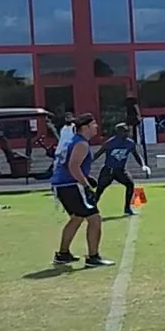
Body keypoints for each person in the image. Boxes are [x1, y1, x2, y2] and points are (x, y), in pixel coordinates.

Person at [51, 114, 111, 267]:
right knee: (95, 218)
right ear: (85, 127)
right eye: (93, 124)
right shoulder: (81, 144)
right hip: (71, 185)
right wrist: (86, 185)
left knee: (77, 218)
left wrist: (86, 177)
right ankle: (93, 257)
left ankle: (63, 254)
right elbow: (73, 166)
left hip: (62, 184)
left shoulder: (75, 141)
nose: (96, 126)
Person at [94, 123, 149, 216]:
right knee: (100, 189)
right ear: (118, 132)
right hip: (109, 170)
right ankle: (91, 209)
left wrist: (143, 165)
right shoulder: (110, 143)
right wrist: (86, 164)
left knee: (130, 184)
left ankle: (127, 208)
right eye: (124, 131)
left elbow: (136, 155)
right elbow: (98, 154)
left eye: (127, 131)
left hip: (121, 170)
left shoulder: (130, 143)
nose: (127, 133)